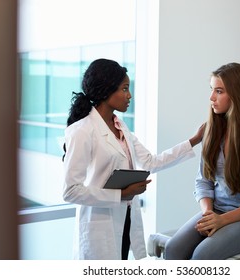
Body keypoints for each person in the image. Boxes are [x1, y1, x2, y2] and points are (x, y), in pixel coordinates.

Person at [62, 58, 204, 260]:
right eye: (124, 89)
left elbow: (150, 162)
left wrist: (194, 140)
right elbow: (70, 191)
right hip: (99, 227)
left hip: (126, 219)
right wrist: (121, 194)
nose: (130, 96)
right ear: (106, 90)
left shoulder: (120, 126)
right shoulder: (82, 131)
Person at [164, 62, 240, 260]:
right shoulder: (212, 128)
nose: (211, 98)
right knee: (172, 249)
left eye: (219, 91)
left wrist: (222, 220)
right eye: (212, 90)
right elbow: (203, 181)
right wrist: (209, 214)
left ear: (237, 94)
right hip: (217, 210)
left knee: (202, 257)